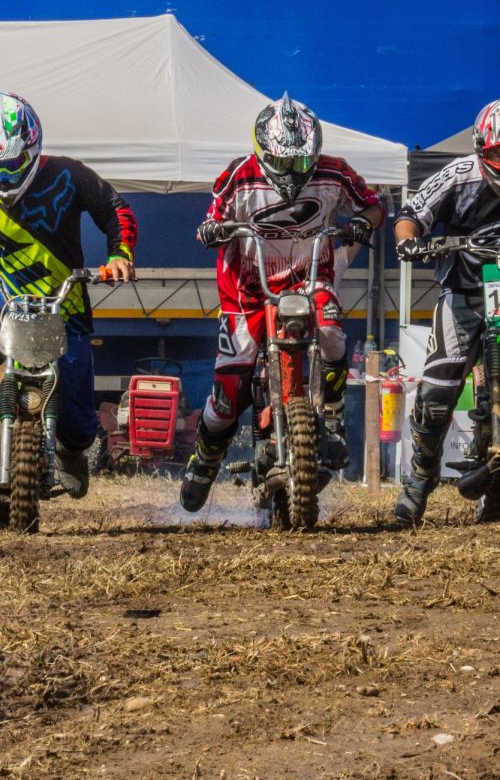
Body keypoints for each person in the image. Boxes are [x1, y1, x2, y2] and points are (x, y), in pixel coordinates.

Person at [180, 92, 384, 513]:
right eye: (282, 161)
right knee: (228, 392)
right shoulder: (238, 175)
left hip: (311, 278)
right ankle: (205, 459)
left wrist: (362, 223)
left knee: (332, 335)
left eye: (300, 161)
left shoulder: (336, 172)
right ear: (263, 151)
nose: (291, 171)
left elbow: (374, 206)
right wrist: (213, 230)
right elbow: (209, 221)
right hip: (247, 290)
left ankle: (332, 414)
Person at [0, 91, 137, 499]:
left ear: (30, 148)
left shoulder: (67, 175)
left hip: (66, 311)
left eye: (10, 166)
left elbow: (115, 209)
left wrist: (119, 254)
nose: (4, 177)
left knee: (78, 424)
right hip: (6, 303)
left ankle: (69, 450)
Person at [394, 99, 500, 526]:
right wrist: (409, 241)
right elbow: (411, 214)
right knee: (437, 394)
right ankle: (419, 480)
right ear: (481, 149)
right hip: (464, 294)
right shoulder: (459, 176)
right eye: (498, 153)